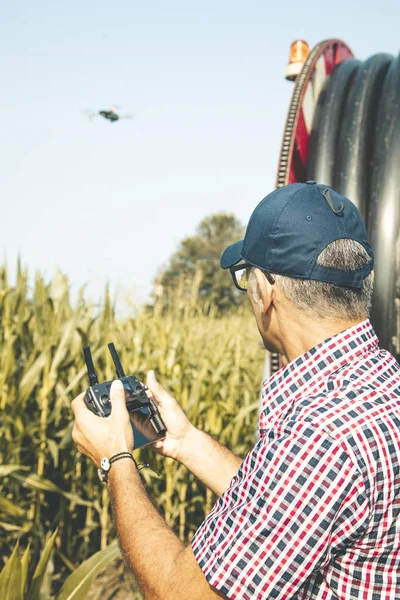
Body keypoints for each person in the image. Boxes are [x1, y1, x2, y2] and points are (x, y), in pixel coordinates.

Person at [72, 181, 400, 599]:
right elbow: (289, 510)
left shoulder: (320, 433)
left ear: (264, 291)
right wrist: (186, 442)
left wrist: (115, 459)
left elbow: (182, 593)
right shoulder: (378, 380)